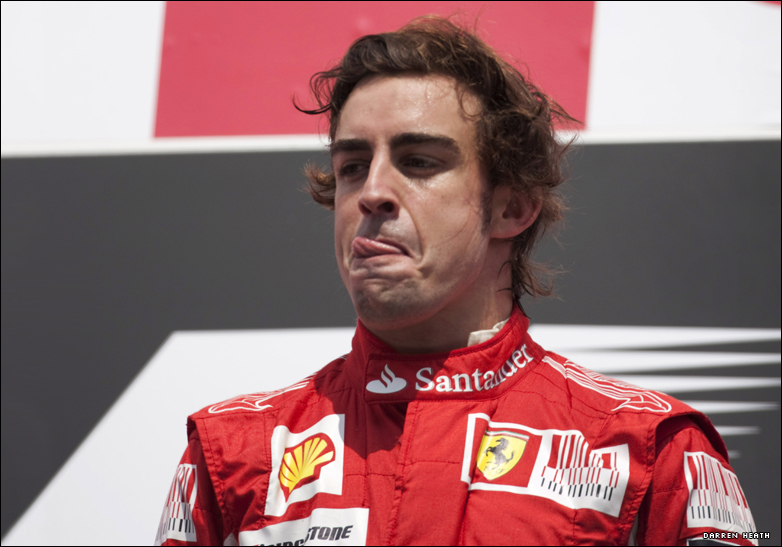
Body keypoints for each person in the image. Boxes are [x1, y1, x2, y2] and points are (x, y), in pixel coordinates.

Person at [155, 17, 757, 546]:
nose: (372, 192)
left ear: (512, 207)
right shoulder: (232, 455)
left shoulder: (654, 449)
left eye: (419, 162)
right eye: (352, 166)